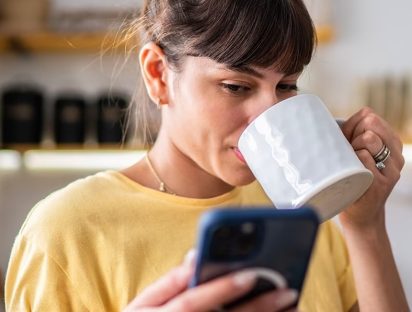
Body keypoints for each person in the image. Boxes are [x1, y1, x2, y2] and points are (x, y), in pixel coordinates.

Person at [5, 0, 409, 311]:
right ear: (158, 76)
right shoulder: (66, 232)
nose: (270, 113)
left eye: (287, 86)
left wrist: (366, 227)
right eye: (236, 86)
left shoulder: (301, 211)